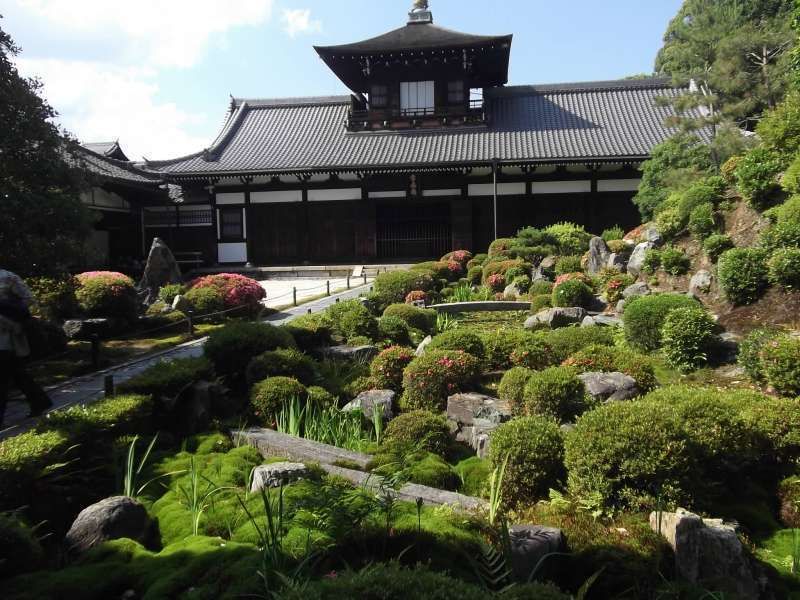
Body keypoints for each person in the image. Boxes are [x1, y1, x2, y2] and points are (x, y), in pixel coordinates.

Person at [0, 269, 52, 427]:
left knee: (3, 376)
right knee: (16, 373)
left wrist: (11, 315)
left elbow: (28, 300)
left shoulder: (7, 277)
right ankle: (39, 400)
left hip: (6, 335)